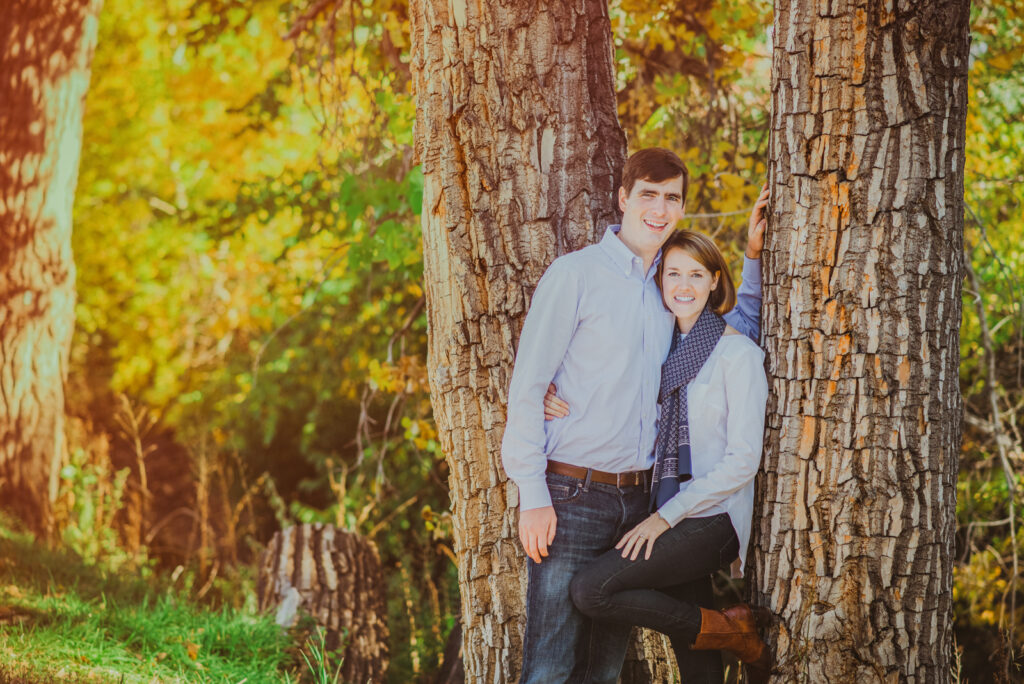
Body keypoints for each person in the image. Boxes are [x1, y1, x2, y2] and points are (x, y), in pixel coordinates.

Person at [500, 146, 769, 684]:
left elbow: (731, 329)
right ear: (623, 198)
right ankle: (718, 628)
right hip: (571, 497)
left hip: (642, 499)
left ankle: (717, 630)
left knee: (603, 670)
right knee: (551, 665)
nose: (660, 208)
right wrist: (532, 493)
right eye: (648, 194)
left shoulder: (667, 288)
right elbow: (528, 385)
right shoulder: (576, 275)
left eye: (672, 198)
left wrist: (755, 259)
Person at [564, 229, 771, 683]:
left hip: (711, 519)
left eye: (696, 274)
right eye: (673, 272)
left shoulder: (737, 353)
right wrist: (551, 393)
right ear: (659, 280)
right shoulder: (660, 352)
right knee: (697, 665)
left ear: (715, 281)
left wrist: (665, 518)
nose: (683, 284)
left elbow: (742, 460)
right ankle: (723, 632)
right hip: (665, 508)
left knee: (590, 589)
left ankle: (733, 631)